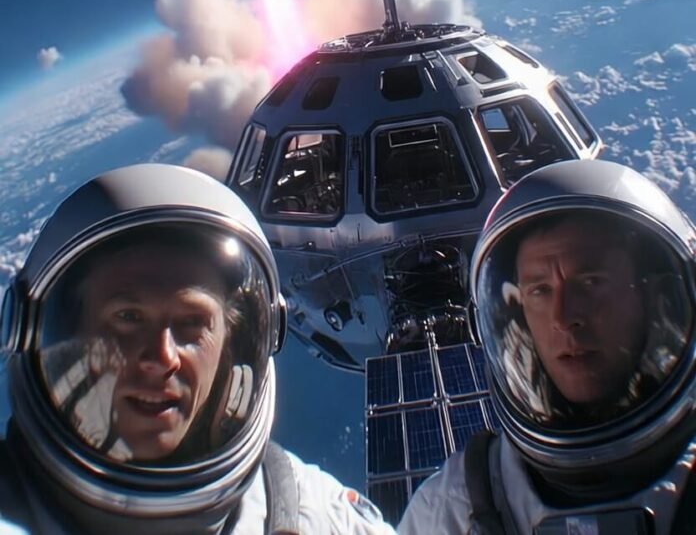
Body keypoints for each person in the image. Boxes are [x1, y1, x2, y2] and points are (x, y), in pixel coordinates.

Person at [0, 163, 396, 535]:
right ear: (67, 331)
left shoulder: (319, 516)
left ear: (230, 344)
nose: (163, 358)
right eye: (129, 318)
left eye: (191, 324)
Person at [399, 159, 696, 535]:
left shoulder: (455, 509)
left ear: (657, 299)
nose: (563, 316)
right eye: (540, 290)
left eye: (590, 282)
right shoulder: (451, 508)